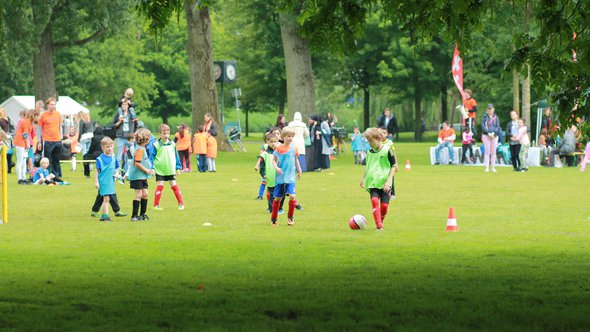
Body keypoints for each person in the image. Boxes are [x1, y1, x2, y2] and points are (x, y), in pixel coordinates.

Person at [360, 128, 397, 230]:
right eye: (368, 141)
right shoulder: (369, 152)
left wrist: (389, 181)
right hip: (373, 182)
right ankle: (379, 226)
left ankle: (380, 219)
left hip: (385, 183)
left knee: (384, 206)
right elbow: (368, 167)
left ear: (379, 138)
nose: (370, 143)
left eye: (371, 141)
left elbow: (393, 166)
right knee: (374, 200)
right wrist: (363, 178)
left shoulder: (387, 150)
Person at [270, 127, 302, 226]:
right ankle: (274, 219)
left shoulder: (294, 148)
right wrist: (276, 168)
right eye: (288, 136)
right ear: (283, 137)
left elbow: (296, 159)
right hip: (280, 178)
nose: (291, 138)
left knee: (292, 196)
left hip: (291, 177)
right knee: (278, 199)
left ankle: (290, 218)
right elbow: (273, 160)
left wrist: (299, 169)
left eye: (292, 136)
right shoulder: (279, 148)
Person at [151, 124, 185, 210]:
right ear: (159, 134)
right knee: (160, 185)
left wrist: (178, 167)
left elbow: (176, 157)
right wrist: (151, 168)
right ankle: (156, 205)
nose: (166, 135)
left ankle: (181, 204)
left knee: (174, 184)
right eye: (164, 133)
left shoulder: (173, 144)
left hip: (170, 169)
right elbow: (151, 158)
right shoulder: (156, 145)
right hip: (159, 169)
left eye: (168, 133)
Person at [128, 128, 154, 221]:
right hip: (137, 176)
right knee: (138, 195)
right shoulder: (139, 150)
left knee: (145, 194)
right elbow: (137, 163)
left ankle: (143, 214)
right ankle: (134, 216)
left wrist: (150, 169)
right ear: (145, 139)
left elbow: (145, 161)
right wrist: (147, 170)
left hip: (142, 176)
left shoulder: (142, 148)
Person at [93, 137, 122, 222]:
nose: (110, 148)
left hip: (111, 182)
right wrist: (96, 182)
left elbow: (117, 167)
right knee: (106, 199)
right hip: (104, 181)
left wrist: (117, 174)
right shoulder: (100, 159)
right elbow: (97, 171)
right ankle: (105, 216)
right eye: (107, 147)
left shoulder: (113, 158)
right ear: (103, 148)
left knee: (107, 199)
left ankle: (105, 215)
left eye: (111, 146)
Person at [38, 98, 64, 177]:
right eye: (52, 104)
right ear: (48, 105)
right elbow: (39, 128)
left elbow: (60, 127)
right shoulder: (43, 115)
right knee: (48, 160)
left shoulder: (58, 114)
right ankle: (48, 175)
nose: (53, 106)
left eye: (54, 104)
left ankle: (56, 175)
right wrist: (39, 141)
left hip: (57, 140)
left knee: (56, 159)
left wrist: (61, 138)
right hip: (47, 140)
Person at [112, 98, 137, 173]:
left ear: (128, 105)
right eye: (123, 104)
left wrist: (134, 133)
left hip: (130, 137)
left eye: (125, 104)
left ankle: (130, 172)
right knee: (119, 156)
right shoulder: (118, 114)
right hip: (120, 137)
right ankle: (117, 172)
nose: (124, 105)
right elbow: (113, 125)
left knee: (132, 155)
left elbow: (136, 124)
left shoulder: (131, 114)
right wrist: (119, 122)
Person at [14, 109, 37, 184]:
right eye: (37, 116)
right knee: (20, 161)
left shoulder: (30, 122)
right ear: (33, 115)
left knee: (24, 162)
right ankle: (19, 179)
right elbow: (25, 134)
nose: (38, 118)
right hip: (20, 142)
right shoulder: (26, 122)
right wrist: (27, 143)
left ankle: (23, 178)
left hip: (23, 143)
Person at [259, 133, 279, 213]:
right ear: (267, 142)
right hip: (270, 176)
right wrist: (263, 174)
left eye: (275, 141)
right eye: (271, 142)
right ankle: (271, 209)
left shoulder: (279, 152)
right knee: (271, 193)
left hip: (278, 175)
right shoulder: (264, 154)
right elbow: (262, 166)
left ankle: (278, 207)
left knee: (278, 193)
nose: (273, 143)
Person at [481, 104, 501, 172]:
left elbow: (497, 126)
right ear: (487, 110)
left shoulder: (496, 117)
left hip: (494, 136)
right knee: (487, 152)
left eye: (491, 109)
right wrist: (488, 133)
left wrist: (493, 133)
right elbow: (483, 126)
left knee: (493, 152)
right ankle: (486, 167)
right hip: (486, 135)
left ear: (493, 109)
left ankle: (493, 167)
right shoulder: (484, 117)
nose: (490, 110)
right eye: (489, 109)